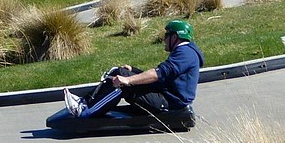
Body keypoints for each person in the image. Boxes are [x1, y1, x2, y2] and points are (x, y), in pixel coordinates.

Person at [64, 19, 204, 118]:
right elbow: (163, 77)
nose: (164, 39)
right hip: (164, 94)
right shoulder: (185, 51)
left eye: (166, 36)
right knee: (118, 71)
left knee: (121, 84)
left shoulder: (185, 53)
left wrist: (128, 80)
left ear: (175, 37)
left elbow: (158, 74)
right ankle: (85, 102)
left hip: (169, 103)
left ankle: (84, 112)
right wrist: (133, 70)